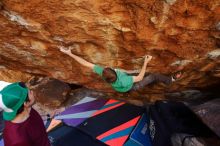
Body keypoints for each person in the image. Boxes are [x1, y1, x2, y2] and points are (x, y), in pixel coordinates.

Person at [60, 48, 182, 92]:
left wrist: (69, 53)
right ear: (115, 74)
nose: (108, 67)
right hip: (131, 86)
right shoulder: (124, 79)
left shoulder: (103, 73)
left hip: (122, 84)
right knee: (153, 76)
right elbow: (138, 78)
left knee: (136, 73)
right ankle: (169, 80)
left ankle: (142, 72)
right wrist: (146, 62)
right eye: (111, 69)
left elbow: (85, 63)